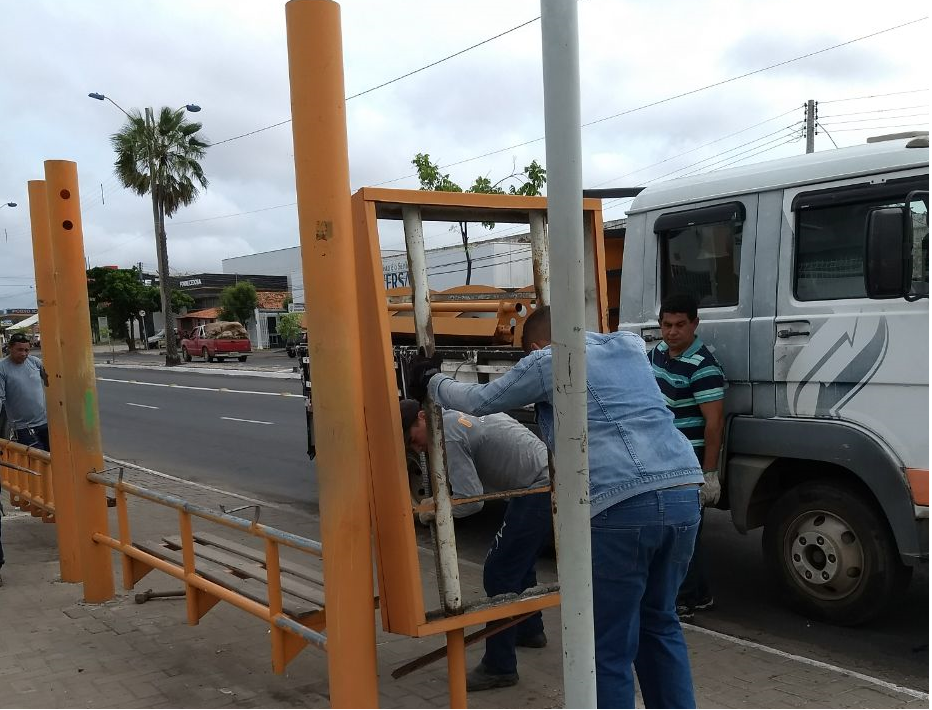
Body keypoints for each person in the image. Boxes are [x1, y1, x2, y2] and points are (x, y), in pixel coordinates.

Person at [409, 307, 702, 708]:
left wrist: (431, 378)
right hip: (684, 488)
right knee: (660, 622)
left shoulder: (551, 359)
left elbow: (480, 400)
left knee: (608, 645)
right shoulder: (629, 347)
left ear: (535, 346)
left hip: (621, 502)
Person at [399, 399, 553, 692]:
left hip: (537, 488)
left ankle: (500, 667)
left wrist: (435, 510)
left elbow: (472, 500)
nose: (417, 449)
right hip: (540, 481)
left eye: (412, 439)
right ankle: (529, 630)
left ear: (422, 417)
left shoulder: (449, 435)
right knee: (518, 564)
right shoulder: (454, 417)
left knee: (498, 572)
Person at [648, 294, 726, 621]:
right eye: (666, 325)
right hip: (662, 460)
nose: (672, 332)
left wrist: (709, 474)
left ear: (694, 324)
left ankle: (684, 601)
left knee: (682, 534)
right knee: (671, 530)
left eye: (680, 325)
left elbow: (714, 423)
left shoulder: (704, 367)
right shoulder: (658, 354)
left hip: (688, 464)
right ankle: (700, 594)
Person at [0, 333, 50, 586]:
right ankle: (45, 498)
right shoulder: (2, 369)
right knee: (38, 461)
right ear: (9, 349)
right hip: (23, 427)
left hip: (44, 422)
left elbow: (48, 382)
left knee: (54, 459)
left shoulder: (35, 363)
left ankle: (55, 494)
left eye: (27, 350)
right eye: (19, 350)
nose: (24, 354)